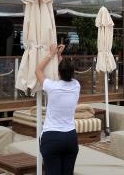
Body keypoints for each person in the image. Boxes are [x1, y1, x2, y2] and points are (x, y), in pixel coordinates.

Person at [36, 44, 79, 175]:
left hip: (51, 138)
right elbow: (66, 72)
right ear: (72, 73)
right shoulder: (76, 86)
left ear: (58, 73)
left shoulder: (51, 86)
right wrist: (59, 56)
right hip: (70, 138)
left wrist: (51, 54)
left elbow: (38, 70)